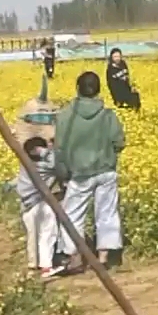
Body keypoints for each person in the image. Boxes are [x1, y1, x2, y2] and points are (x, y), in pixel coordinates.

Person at [53, 71, 126, 271]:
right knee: (107, 212)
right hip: (105, 170)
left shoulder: (65, 116)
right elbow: (119, 142)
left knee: (73, 214)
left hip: (80, 174)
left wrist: (63, 171)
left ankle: (74, 255)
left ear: (78, 89)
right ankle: (103, 257)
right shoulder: (107, 114)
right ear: (99, 89)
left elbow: (59, 149)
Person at [10, 135, 62, 275]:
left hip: (26, 205)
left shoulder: (24, 163)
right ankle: (46, 265)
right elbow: (57, 162)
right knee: (47, 234)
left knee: (32, 236)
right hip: (42, 203)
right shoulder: (48, 167)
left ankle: (33, 265)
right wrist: (47, 151)